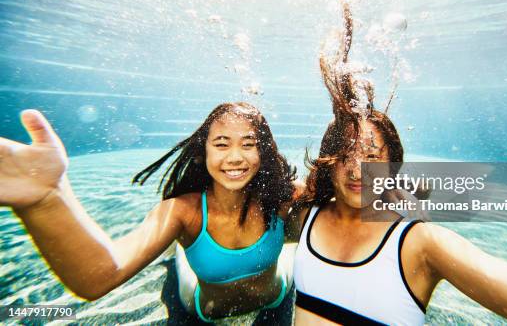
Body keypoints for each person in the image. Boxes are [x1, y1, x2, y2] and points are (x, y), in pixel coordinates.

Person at [283, 0, 507, 325]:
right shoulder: (306, 214)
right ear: (327, 161)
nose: (356, 170)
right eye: (344, 155)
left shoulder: (422, 244)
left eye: (372, 157)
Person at [0, 102, 297, 324]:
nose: (235, 157)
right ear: (202, 152)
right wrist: (47, 199)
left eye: (248, 144)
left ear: (264, 153)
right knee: (180, 259)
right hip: (201, 308)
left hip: (276, 295)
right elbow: (97, 277)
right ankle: (177, 251)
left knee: (291, 253)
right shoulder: (181, 213)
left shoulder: (280, 199)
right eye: (221, 144)